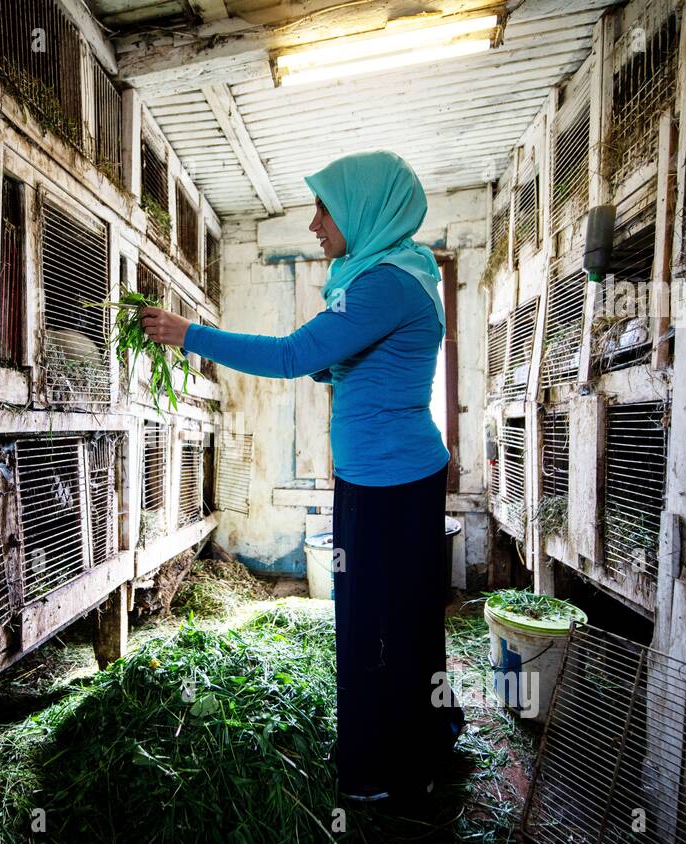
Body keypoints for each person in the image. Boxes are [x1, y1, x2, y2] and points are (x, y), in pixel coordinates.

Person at [140, 149, 464, 806]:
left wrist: (190, 334)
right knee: (400, 618)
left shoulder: (383, 285)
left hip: (388, 483)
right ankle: (421, 739)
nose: (316, 224)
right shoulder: (401, 272)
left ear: (362, 209)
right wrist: (331, 363)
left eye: (325, 208)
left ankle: (386, 770)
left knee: (379, 623)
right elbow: (346, 363)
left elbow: (292, 356)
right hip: (386, 476)